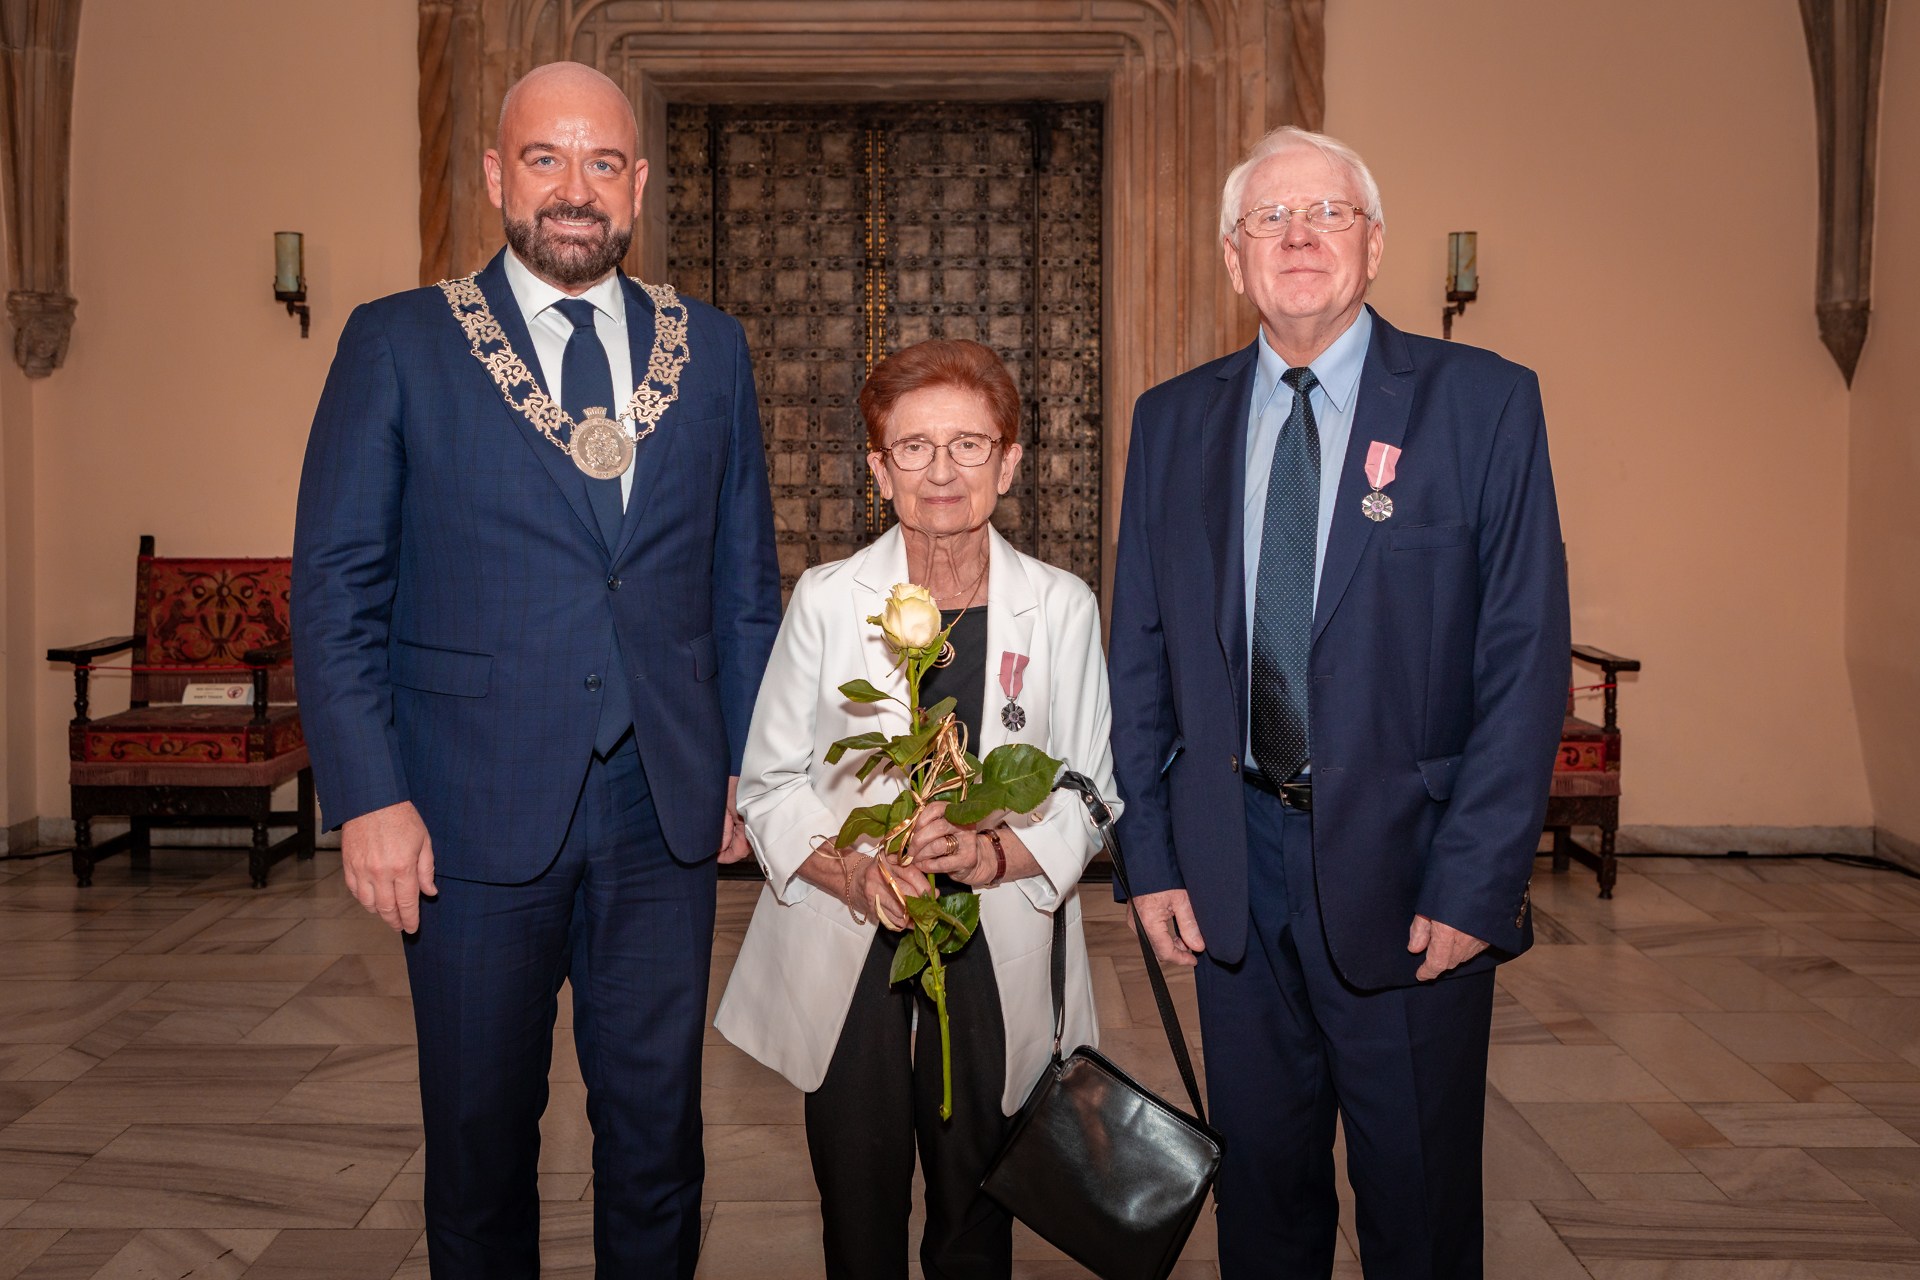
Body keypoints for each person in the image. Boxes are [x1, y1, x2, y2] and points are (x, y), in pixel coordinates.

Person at [292, 61, 779, 1278]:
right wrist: (368, 793)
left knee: (660, 1141)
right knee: (479, 1146)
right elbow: (337, 588)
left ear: (638, 185)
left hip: (663, 807)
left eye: (602, 162)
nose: (575, 188)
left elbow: (741, 584)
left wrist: (749, 763)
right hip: (463, 808)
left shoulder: (711, 351)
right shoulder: (399, 342)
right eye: (546, 159)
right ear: (497, 175)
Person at [1107, 126, 1570, 1278]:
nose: (1300, 236)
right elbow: (1142, 655)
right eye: (1271, 218)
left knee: (1418, 1214)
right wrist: (1150, 857)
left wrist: (1477, 880)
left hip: (1413, 881)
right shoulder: (1171, 420)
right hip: (1232, 876)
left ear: (1374, 245)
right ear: (1234, 258)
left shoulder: (1484, 404)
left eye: (1327, 213)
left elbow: (1523, 660)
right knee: (1263, 1208)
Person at [715, 339, 1116, 1280]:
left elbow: (1091, 793)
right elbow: (769, 785)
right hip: (852, 940)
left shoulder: (1061, 608)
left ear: (1008, 464)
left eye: (970, 445)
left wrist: (992, 857)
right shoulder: (827, 601)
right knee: (858, 1207)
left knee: (977, 1211)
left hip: (997, 941)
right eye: (914, 447)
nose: (942, 471)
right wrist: (855, 873)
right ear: (878, 469)